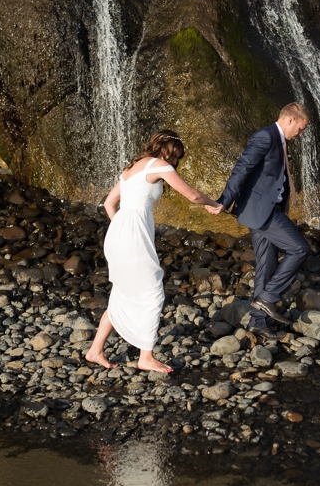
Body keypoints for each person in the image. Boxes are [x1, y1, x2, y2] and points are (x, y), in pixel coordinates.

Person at [85, 130, 221, 373]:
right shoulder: (158, 165)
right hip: (133, 234)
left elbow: (108, 203)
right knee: (153, 291)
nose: (176, 161)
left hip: (118, 233)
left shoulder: (132, 167)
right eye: (176, 155)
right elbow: (192, 195)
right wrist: (214, 203)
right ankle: (145, 357)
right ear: (166, 149)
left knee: (122, 292)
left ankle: (95, 350)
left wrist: (121, 228)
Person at [206, 103, 312, 340]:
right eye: (301, 129)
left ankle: (258, 322)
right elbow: (242, 168)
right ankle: (268, 298)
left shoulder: (279, 139)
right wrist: (224, 200)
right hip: (261, 211)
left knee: (267, 265)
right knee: (300, 248)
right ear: (291, 120)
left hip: (268, 210)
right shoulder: (265, 136)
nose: (301, 134)